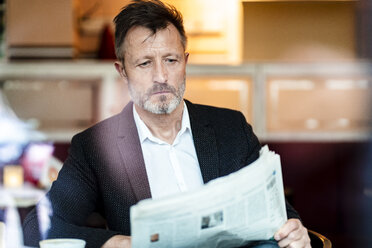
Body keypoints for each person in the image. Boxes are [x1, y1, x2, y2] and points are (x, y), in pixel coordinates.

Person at [23, 0, 311, 247]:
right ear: (122, 71)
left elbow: (277, 212)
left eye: (171, 60)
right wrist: (113, 242)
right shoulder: (96, 146)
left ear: (185, 62)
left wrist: (294, 228)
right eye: (145, 63)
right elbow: (38, 226)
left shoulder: (230, 128)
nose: (161, 76)